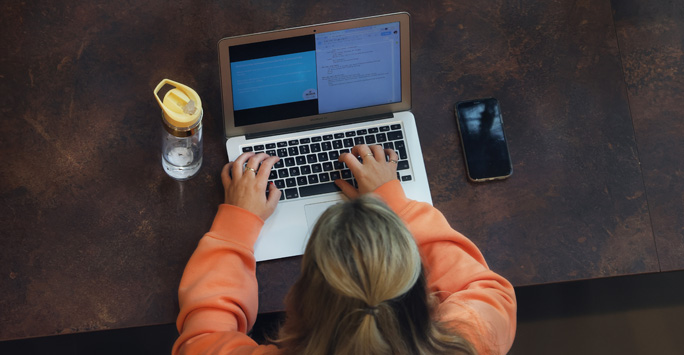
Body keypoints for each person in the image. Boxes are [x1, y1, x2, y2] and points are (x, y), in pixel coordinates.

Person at [172, 144, 517, 355]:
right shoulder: (472, 342)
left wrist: (237, 225)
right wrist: (397, 202)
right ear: (424, 295)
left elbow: (202, 340)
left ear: (297, 303)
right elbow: (490, 292)